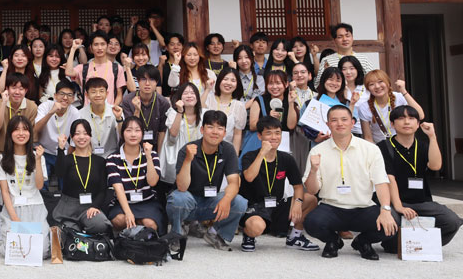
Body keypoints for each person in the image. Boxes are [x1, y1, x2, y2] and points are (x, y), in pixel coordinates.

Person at [302, 105, 398, 260]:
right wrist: (313, 170)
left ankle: (362, 242)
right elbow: (312, 190)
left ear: (352, 123)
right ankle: (333, 241)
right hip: (331, 207)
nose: (339, 123)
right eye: (334, 120)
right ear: (328, 124)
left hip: (363, 207)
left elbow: (381, 182)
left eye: (344, 119)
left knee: (392, 224)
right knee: (312, 223)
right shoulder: (317, 151)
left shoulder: (370, 149)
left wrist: (385, 209)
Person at [377, 106, 461, 252]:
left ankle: (422, 244)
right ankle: (396, 244)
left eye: (411, 118)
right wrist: (399, 206)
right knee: (391, 227)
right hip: (394, 202)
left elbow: (435, 166)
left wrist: (432, 136)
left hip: (421, 202)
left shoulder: (422, 146)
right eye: (401, 118)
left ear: (417, 124)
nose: (406, 122)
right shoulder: (384, 147)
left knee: (452, 221)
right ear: (392, 124)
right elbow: (390, 179)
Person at [167, 111, 247, 251]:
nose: (215, 132)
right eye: (210, 127)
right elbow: (182, 186)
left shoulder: (228, 150)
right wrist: (188, 160)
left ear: (224, 132)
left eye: (220, 128)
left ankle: (215, 233)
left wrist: (226, 199)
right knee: (178, 199)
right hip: (188, 201)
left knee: (239, 202)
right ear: (202, 130)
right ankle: (177, 233)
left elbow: (234, 182)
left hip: (210, 201)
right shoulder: (188, 149)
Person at [239, 117, 319, 252]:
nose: (274, 137)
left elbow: (298, 186)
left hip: (277, 205)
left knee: (310, 199)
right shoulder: (250, 156)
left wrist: (298, 203)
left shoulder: (286, 158)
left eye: (277, 133)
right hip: (255, 207)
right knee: (256, 227)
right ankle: (248, 235)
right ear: (259, 136)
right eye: (268, 133)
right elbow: (249, 177)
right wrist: (262, 153)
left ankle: (295, 237)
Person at [0, 117, 50, 258]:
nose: (21, 133)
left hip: (35, 207)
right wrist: (15, 219)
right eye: (16, 129)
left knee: (40, 252)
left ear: (30, 133)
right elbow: (5, 192)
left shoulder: (38, 157)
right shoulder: (0, 160)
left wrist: (37, 160)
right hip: (12, 208)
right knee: (14, 251)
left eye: (25, 129)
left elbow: (39, 186)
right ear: (10, 133)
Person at [52, 119, 111, 234]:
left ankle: (82, 232)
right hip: (68, 207)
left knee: (100, 224)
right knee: (68, 231)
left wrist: (95, 206)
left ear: (90, 136)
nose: (81, 137)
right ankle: (76, 231)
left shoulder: (99, 161)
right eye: (77, 134)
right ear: (72, 137)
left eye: (85, 133)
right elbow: (59, 173)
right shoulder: (67, 159)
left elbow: (103, 189)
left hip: (90, 206)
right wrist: (60, 149)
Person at [106, 116, 164, 233]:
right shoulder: (112, 158)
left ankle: (136, 229)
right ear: (122, 133)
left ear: (142, 134)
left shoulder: (152, 155)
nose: (133, 134)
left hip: (146, 202)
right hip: (122, 203)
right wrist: (128, 213)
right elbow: (118, 188)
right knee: (119, 220)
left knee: (150, 224)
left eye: (137, 130)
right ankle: (138, 229)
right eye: (129, 130)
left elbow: (153, 182)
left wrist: (148, 157)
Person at [357, 70, 425, 145]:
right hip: (380, 146)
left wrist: (403, 91)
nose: (377, 86)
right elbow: (368, 137)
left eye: (380, 82)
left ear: (388, 83)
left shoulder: (399, 97)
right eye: (371, 84)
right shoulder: (364, 107)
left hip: (402, 144)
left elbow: (420, 115)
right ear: (368, 88)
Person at [33, 78, 80, 186]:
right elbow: (36, 129)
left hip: (63, 152)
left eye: (69, 95)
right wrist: (51, 112)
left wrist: (68, 157)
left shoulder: (75, 113)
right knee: (42, 185)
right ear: (55, 95)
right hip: (44, 150)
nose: (65, 98)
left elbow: (74, 139)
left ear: (73, 98)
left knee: (66, 185)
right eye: (62, 94)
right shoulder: (45, 106)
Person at [160, 83, 204, 186]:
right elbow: (173, 134)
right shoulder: (173, 113)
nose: (189, 96)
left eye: (192, 93)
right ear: (180, 98)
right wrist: (180, 111)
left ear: (197, 97)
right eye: (185, 93)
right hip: (177, 156)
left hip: (198, 157)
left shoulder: (203, 114)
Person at [66, 32, 126, 106]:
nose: (99, 48)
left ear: (107, 46)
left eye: (102, 44)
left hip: (109, 111)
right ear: (91, 48)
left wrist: (112, 108)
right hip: (88, 111)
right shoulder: (84, 68)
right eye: (96, 44)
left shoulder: (117, 68)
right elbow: (68, 72)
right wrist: (73, 49)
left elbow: (119, 94)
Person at [0, 74, 38, 156]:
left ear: (26, 91)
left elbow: (31, 133)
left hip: (23, 152)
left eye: (21, 89)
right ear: (7, 89)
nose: (17, 92)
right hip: (0, 151)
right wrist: (4, 103)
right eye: (14, 88)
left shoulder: (32, 107)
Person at [77, 77, 124, 156]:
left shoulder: (116, 111)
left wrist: (119, 118)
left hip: (112, 155)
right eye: (93, 92)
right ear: (87, 95)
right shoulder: (80, 114)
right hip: (89, 155)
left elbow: (123, 136)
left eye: (101, 91)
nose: (98, 95)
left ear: (107, 94)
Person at [203, 68, 246, 151]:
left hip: (225, 151)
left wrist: (234, 156)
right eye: (225, 79)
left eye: (233, 80)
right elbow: (198, 110)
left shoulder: (239, 106)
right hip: (205, 148)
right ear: (219, 81)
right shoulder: (209, 98)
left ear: (237, 84)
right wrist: (207, 89)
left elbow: (237, 135)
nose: (228, 83)